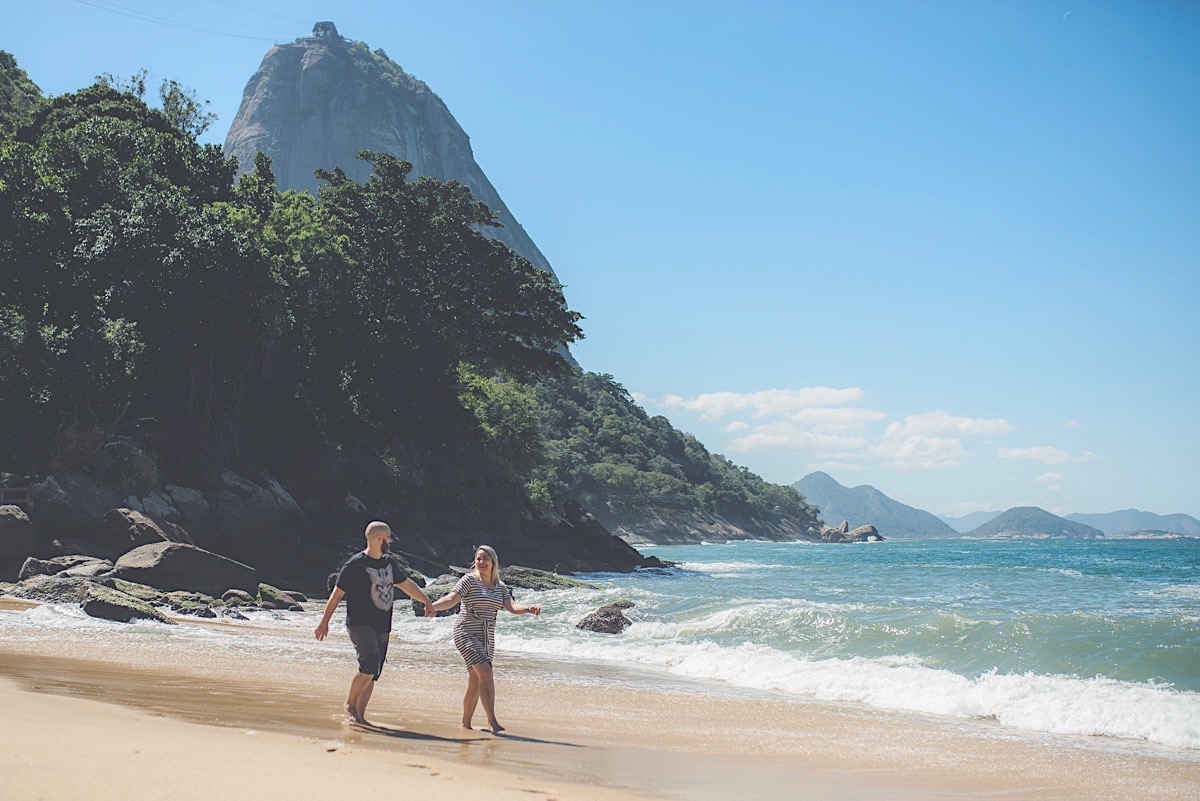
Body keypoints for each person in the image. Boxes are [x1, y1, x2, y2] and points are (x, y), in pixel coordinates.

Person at [315, 521, 434, 725]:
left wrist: (426, 600)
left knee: (373, 673)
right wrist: (324, 622)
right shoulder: (355, 564)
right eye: (388, 537)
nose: (391, 540)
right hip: (359, 623)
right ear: (379, 539)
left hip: (382, 624)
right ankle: (350, 705)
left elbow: (406, 584)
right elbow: (336, 595)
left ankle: (359, 717)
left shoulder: (389, 562)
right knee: (368, 665)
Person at [424, 545, 540, 733]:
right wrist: (433, 606)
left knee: (476, 680)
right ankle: (492, 721)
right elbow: (452, 599)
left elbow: (511, 606)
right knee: (486, 673)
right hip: (465, 632)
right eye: (478, 559)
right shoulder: (469, 580)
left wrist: (528, 608)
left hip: (486, 637)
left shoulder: (500, 587)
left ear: (493, 561)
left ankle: (465, 723)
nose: (481, 562)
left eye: (485, 558)